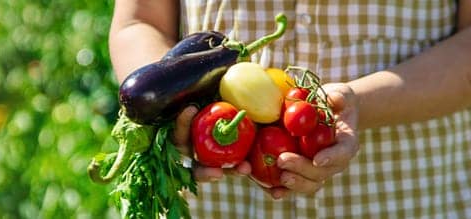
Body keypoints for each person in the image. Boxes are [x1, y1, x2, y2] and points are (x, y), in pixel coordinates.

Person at [110, 0, 471, 217]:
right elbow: (139, 21)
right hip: (215, 204)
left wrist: (356, 104)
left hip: (405, 198)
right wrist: (167, 102)